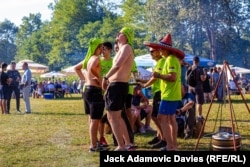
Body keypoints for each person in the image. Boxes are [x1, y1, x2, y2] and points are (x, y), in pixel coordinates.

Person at [144, 33, 184, 151]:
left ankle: (170, 145)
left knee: (161, 118)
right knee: (170, 119)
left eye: (161, 48)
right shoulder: (169, 59)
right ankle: (173, 145)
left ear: (166, 49)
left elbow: (172, 77)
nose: (159, 50)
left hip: (169, 95)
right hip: (170, 94)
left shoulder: (170, 60)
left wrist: (158, 75)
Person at [102, 27, 135, 151]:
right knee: (116, 116)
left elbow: (117, 65)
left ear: (126, 36)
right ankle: (127, 143)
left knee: (113, 117)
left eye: (120, 33)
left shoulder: (127, 47)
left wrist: (106, 77)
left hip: (118, 86)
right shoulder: (121, 48)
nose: (118, 34)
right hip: (115, 85)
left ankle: (121, 145)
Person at [74, 38, 107, 152]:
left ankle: (94, 142)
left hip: (87, 90)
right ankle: (93, 145)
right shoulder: (95, 58)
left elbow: (76, 68)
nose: (102, 50)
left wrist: (84, 79)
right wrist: (99, 79)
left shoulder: (87, 59)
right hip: (95, 91)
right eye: (101, 47)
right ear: (97, 48)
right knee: (95, 120)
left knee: (92, 119)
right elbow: (93, 68)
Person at [140, 47, 166, 148]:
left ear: (158, 52)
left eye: (152, 51)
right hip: (157, 92)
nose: (150, 53)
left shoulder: (161, 61)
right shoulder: (158, 62)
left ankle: (164, 138)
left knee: (156, 117)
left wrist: (144, 85)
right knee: (156, 116)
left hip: (160, 92)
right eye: (149, 51)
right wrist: (142, 81)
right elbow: (153, 77)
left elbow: (155, 78)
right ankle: (159, 136)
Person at [186, 56, 205, 121]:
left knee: (191, 102)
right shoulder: (200, 69)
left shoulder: (189, 68)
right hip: (198, 87)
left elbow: (186, 78)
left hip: (190, 87)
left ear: (193, 61)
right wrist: (205, 77)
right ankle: (199, 116)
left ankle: (191, 116)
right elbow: (202, 79)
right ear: (198, 62)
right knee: (199, 103)